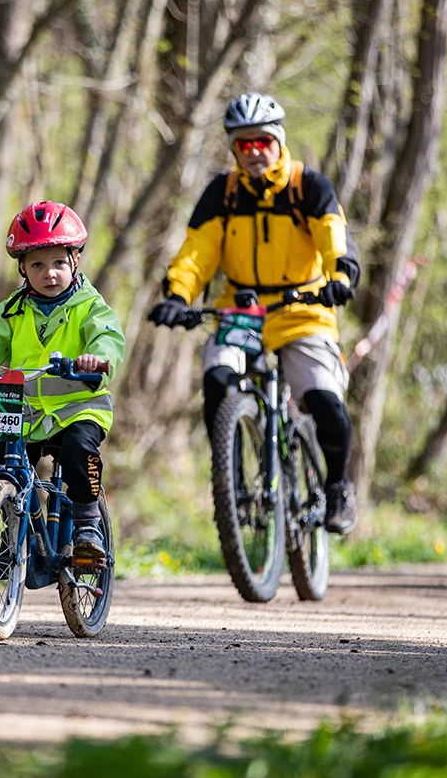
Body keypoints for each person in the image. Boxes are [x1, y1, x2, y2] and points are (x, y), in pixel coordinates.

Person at [147, 92, 361, 535]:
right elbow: (195, 254)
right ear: (234, 149)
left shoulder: (309, 186)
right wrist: (177, 296)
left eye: (262, 141)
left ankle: (338, 486)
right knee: (216, 379)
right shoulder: (221, 194)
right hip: (242, 313)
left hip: (304, 308)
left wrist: (341, 276)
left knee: (324, 399)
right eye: (243, 145)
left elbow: (333, 238)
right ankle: (232, 480)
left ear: (278, 141)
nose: (254, 152)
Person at [0, 201, 126, 557]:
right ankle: (10, 537)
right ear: (22, 268)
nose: (50, 273)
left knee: (80, 451)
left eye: (59, 263)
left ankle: (87, 525)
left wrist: (99, 359)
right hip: (26, 413)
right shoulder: (12, 311)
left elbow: (107, 337)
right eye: (38, 264)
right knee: (6, 465)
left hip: (79, 407)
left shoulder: (91, 306)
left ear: (75, 260)